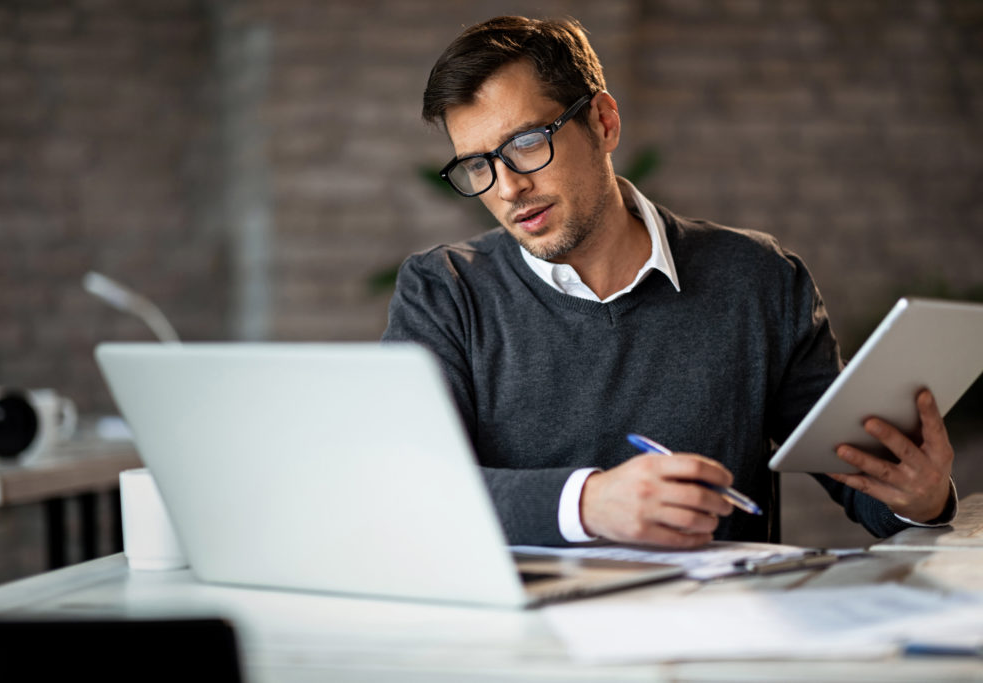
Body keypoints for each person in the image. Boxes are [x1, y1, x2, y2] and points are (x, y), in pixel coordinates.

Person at [382, 15, 956, 547]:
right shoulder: (444, 291)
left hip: (717, 633)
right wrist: (587, 504)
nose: (507, 189)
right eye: (478, 165)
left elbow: (863, 482)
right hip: (534, 645)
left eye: (527, 143)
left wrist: (920, 499)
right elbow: (407, 486)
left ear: (603, 123)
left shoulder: (759, 279)